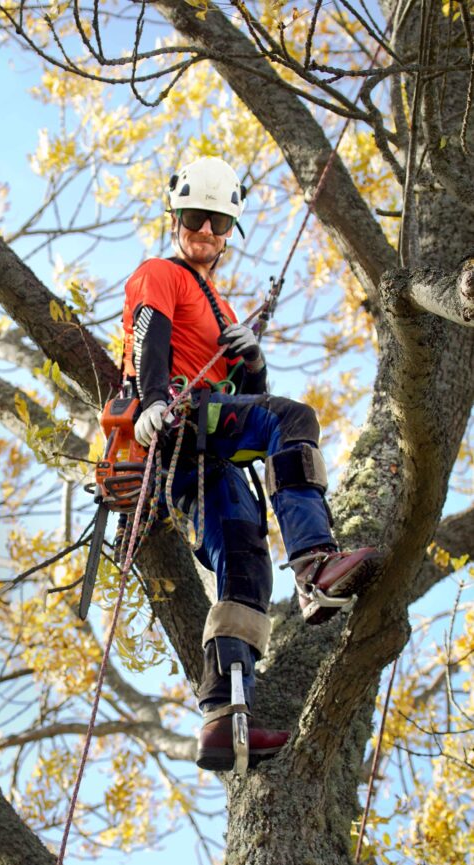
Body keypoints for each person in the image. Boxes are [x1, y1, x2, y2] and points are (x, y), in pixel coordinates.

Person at [121, 156, 380, 773]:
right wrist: (152, 400)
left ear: (229, 232)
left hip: (213, 451)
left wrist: (252, 359)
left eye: (216, 222)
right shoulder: (163, 273)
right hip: (183, 420)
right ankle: (316, 563)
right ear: (176, 218)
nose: (204, 232)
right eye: (193, 218)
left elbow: (245, 388)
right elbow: (147, 331)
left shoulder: (223, 311)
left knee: (245, 566)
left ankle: (221, 718)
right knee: (293, 421)